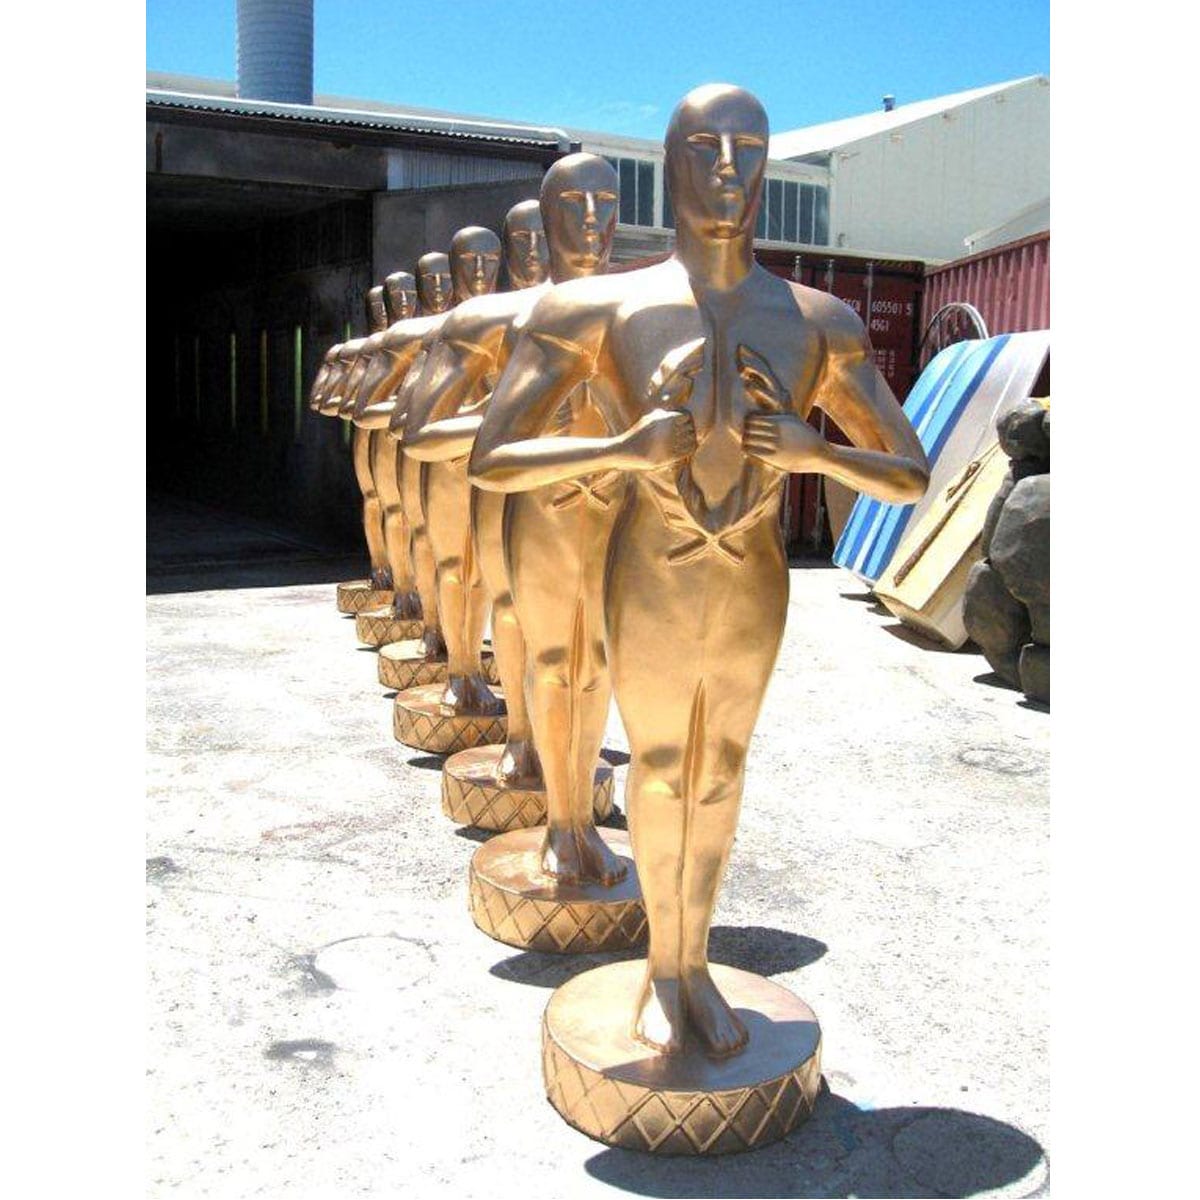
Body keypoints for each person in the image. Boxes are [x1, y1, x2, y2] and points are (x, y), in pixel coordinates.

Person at [471, 84, 929, 1056]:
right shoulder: (597, 306)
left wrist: (817, 452)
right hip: (649, 570)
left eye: (748, 149)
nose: (728, 168)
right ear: (670, 163)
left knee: (721, 767)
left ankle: (693, 962)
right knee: (662, 763)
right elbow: (493, 456)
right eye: (706, 147)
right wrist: (622, 448)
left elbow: (909, 473)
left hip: (752, 580)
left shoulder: (820, 320)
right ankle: (662, 968)